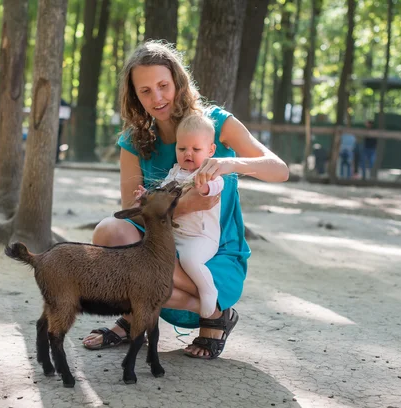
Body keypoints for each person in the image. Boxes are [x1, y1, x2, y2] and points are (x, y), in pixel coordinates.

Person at [81, 41, 289, 359]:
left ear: (178, 82)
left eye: (163, 86)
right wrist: (181, 206)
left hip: (212, 254)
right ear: (134, 95)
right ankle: (207, 315)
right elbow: (130, 215)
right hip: (162, 248)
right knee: (108, 231)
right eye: (145, 91)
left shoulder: (216, 124)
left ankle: (193, 310)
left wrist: (231, 163)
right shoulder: (133, 141)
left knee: (146, 273)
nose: (157, 98)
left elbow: (280, 170)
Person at [134, 114, 225, 319]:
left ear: (210, 150)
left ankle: (208, 291)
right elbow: (163, 191)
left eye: (196, 149)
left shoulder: (210, 174)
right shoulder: (175, 172)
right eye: (182, 149)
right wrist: (146, 197)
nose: (188, 154)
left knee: (190, 260)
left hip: (201, 238)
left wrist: (205, 187)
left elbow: (218, 186)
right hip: (177, 235)